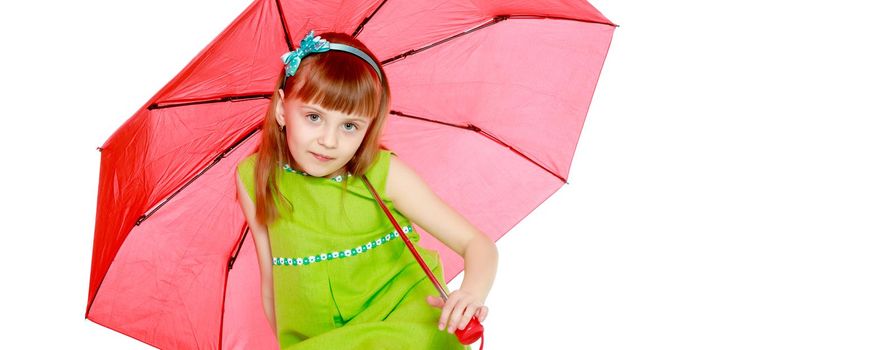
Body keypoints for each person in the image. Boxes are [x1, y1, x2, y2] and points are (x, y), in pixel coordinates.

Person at [234, 30, 498, 349]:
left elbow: (477, 243)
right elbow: (271, 281)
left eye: (349, 126)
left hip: (404, 330)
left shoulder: (382, 172)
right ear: (281, 109)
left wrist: (471, 293)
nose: (329, 141)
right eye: (314, 117)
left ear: (368, 127)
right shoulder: (254, 177)